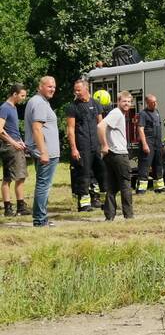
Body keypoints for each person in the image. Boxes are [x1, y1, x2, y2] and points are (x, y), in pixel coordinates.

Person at [24, 76, 59, 227]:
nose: (52, 89)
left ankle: (41, 217)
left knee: (43, 184)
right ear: (40, 86)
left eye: (54, 87)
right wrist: (43, 151)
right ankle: (39, 219)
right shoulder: (39, 103)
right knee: (43, 185)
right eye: (49, 86)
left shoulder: (40, 102)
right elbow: (37, 129)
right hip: (46, 153)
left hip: (46, 151)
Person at [66, 79, 105, 212]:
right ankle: (83, 203)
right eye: (75, 90)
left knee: (99, 172)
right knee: (83, 173)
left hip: (96, 144)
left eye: (79, 90)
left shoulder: (96, 104)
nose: (76, 92)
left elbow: (101, 125)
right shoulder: (73, 106)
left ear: (86, 89)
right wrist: (74, 148)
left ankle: (96, 199)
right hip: (82, 145)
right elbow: (70, 129)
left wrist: (104, 144)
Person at [98, 91, 134, 220]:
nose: (127, 104)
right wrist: (104, 145)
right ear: (118, 101)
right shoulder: (116, 113)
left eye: (129, 102)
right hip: (119, 154)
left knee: (112, 187)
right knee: (125, 184)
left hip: (112, 155)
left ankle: (109, 216)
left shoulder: (118, 114)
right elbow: (100, 126)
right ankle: (129, 215)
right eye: (124, 101)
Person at [0, 83, 29, 217]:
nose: (23, 98)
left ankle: (21, 206)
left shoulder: (13, 108)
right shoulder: (5, 108)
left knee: (20, 176)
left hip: (16, 145)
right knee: (9, 178)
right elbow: (0, 130)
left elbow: (12, 129)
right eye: (22, 95)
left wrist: (21, 141)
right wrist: (14, 143)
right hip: (10, 147)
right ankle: (8, 208)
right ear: (14, 94)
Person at [135, 94, 164, 194]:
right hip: (148, 142)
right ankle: (141, 189)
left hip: (158, 143)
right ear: (148, 103)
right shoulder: (143, 114)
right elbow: (140, 129)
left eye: (156, 102)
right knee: (145, 166)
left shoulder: (157, 112)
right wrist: (144, 144)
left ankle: (159, 188)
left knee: (158, 165)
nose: (155, 104)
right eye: (153, 102)